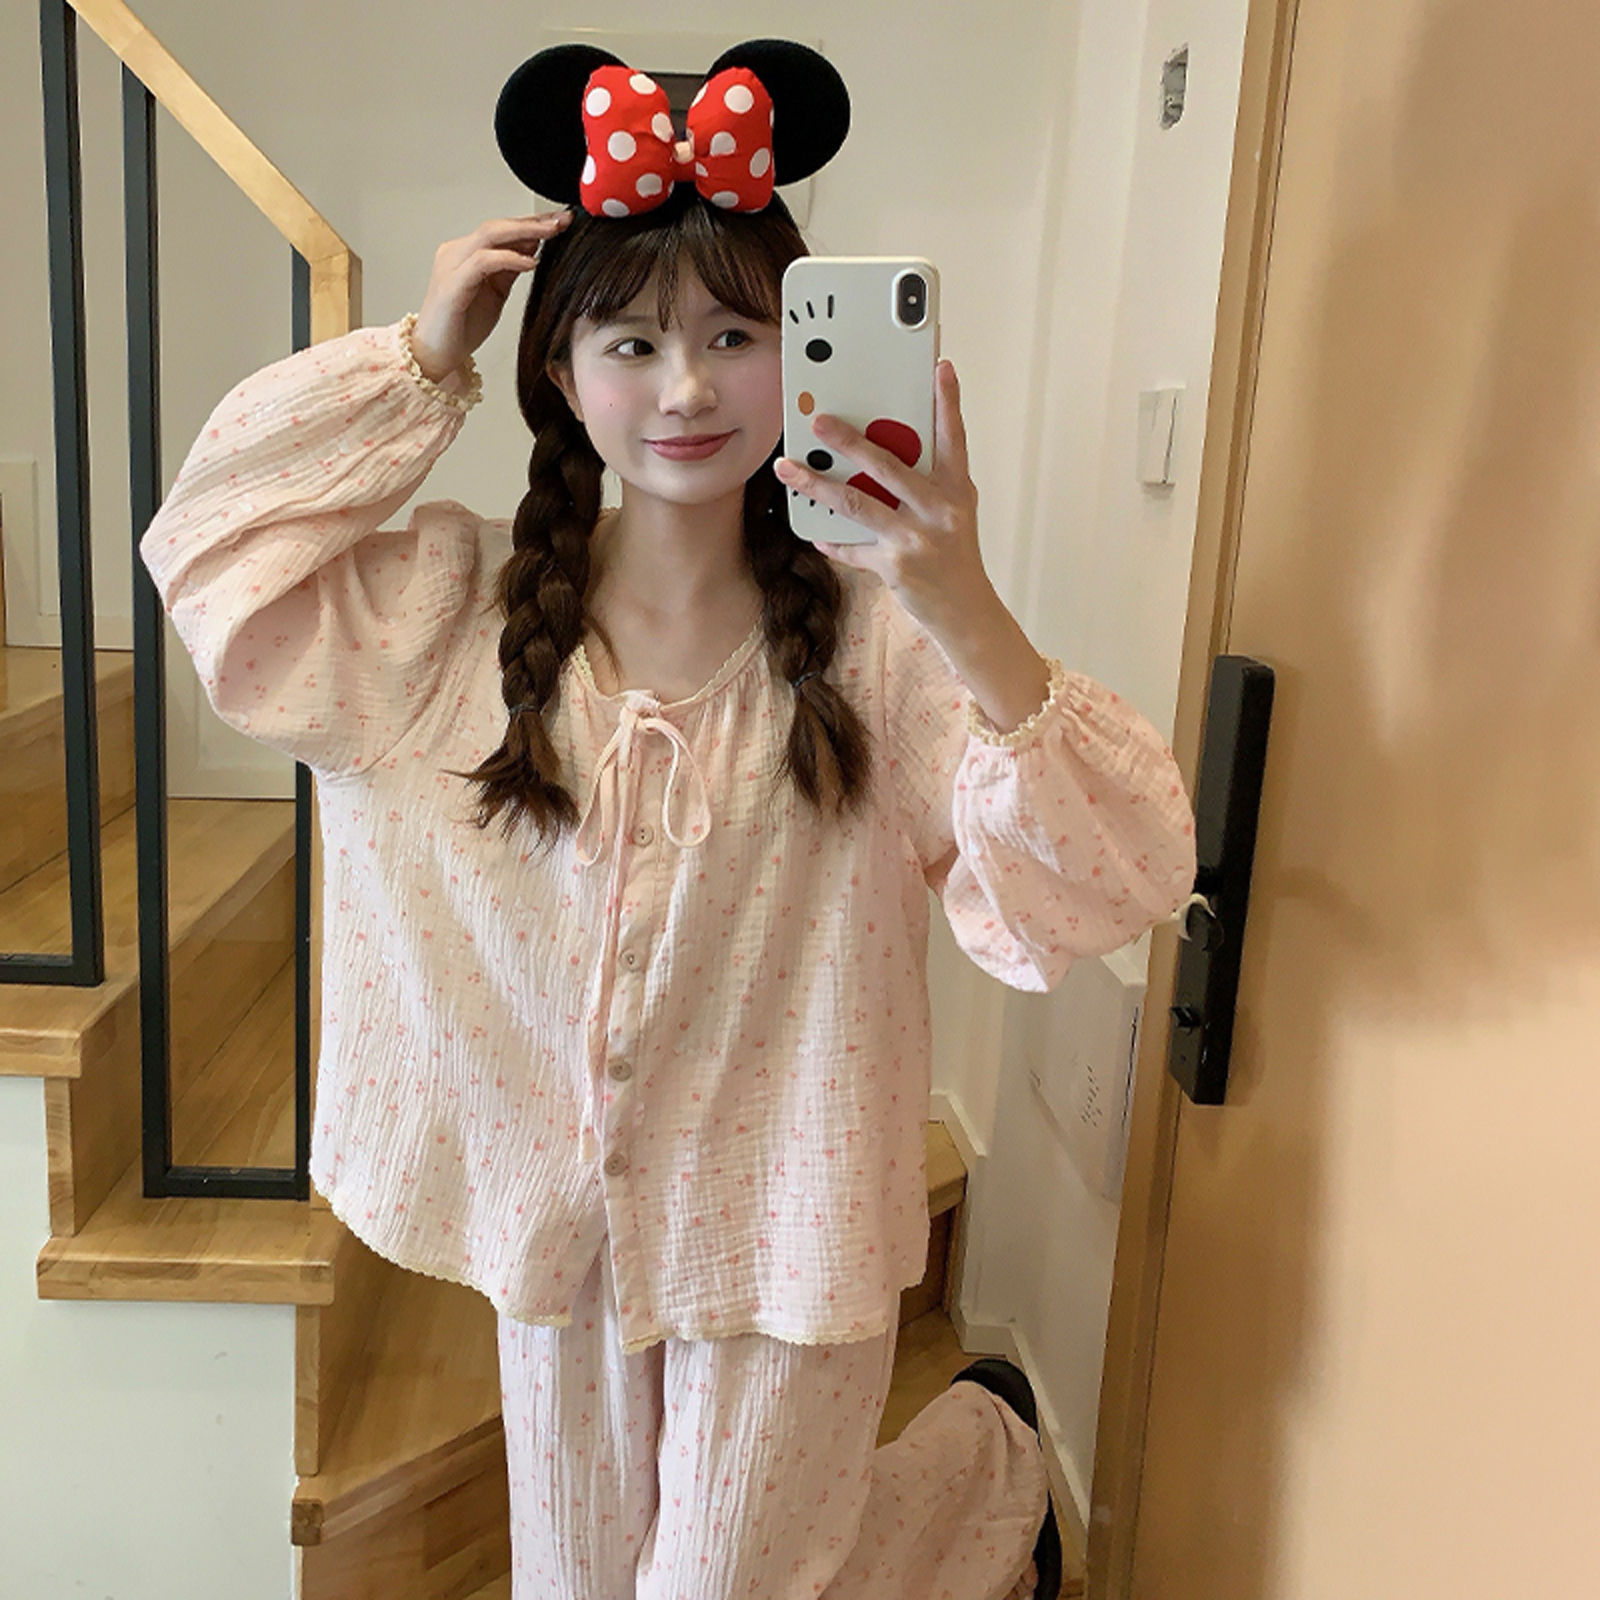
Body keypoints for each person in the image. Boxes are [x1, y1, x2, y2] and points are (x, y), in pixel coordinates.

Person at [140, 40, 1197, 1600]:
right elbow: (215, 563)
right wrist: (415, 361)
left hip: (792, 1232)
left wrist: (964, 601)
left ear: (801, 356)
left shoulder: (884, 648)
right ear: (561, 373)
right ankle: (988, 1465)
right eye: (630, 341)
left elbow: (1115, 873)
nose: (687, 387)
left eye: (735, 334)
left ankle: (986, 1471)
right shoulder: (449, 613)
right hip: (558, 1247)